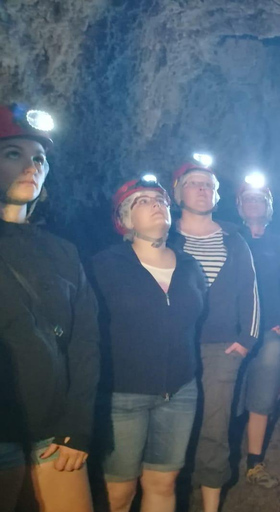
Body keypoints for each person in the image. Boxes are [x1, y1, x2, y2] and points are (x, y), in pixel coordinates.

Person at [0, 104, 100, 512]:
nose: (31, 165)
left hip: (53, 433)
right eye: (14, 154)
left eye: (39, 158)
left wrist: (77, 425)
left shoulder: (63, 251)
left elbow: (85, 341)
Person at [92, 176, 207, 512]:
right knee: (119, 493)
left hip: (181, 391)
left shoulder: (189, 266)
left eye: (160, 200)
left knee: (163, 483)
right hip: (123, 395)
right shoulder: (104, 265)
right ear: (125, 218)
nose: (157, 204)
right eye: (143, 201)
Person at [168, 159, 260, 512]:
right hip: (176, 346)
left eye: (209, 184)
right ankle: (168, 495)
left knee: (215, 427)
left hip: (222, 348)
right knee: (172, 426)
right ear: (178, 193)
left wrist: (247, 339)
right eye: (194, 183)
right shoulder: (166, 236)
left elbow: (250, 290)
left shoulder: (233, 239)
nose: (203, 189)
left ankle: (209, 505)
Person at [236, 177, 280, 488]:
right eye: (248, 199)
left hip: (271, 332)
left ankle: (254, 462)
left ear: (268, 207)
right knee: (228, 394)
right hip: (235, 330)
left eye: (259, 199)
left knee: (262, 397)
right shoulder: (231, 239)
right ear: (239, 207)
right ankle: (216, 458)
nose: (253, 204)